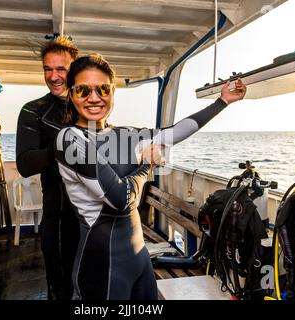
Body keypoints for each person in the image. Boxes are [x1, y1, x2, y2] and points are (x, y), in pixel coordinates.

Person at [54, 54, 247, 300]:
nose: (94, 98)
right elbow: (121, 200)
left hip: (140, 262)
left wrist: (222, 101)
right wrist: (148, 165)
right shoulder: (70, 139)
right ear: (71, 94)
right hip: (101, 266)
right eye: (83, 90)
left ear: (112, 91)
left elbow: (174, 132)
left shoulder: (124, 134)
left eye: (102, 89)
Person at [15, 36, 80, 300]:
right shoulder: (33, 111)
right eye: (47, 69)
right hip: (58, 217)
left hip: (94, 219)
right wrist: (64, 148)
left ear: (73, 70)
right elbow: (25, 164)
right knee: (60, 288)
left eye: (60, 69)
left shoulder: (88, 107)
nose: (53, 76)